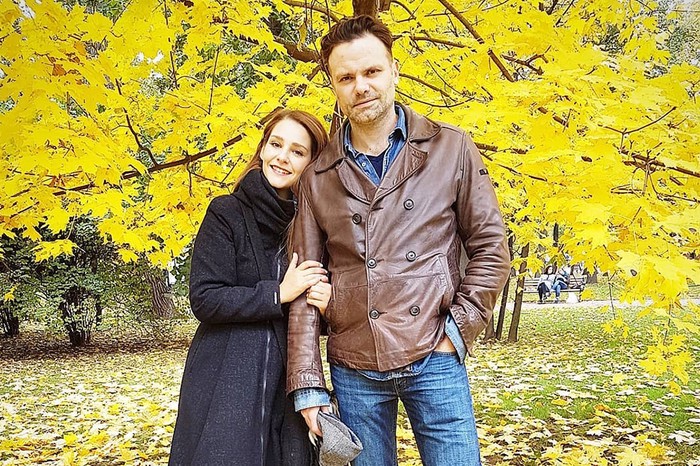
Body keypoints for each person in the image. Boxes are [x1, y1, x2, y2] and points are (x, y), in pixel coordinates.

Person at [286, 16, 511, 466]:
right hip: (354, 365)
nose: (361, 86)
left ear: (394, 71)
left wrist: (457, 330)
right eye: (346, 77)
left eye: (372, 71)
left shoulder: (451, 148)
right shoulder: (317, 176)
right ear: (333, 86)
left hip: (435, 353)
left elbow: (491, 246)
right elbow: (304, 283)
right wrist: (308, 386)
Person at [169, 109, 330, 466]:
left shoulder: (312, 226)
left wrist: (327, 305)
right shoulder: (226, 212)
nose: (282, 157)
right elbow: (205, 297)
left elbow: (315, 315)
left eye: (297, 151)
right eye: (276, 144)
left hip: (286, 381)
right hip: (227, 375)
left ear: (312, 164)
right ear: (262, 149)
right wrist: (278, 293)